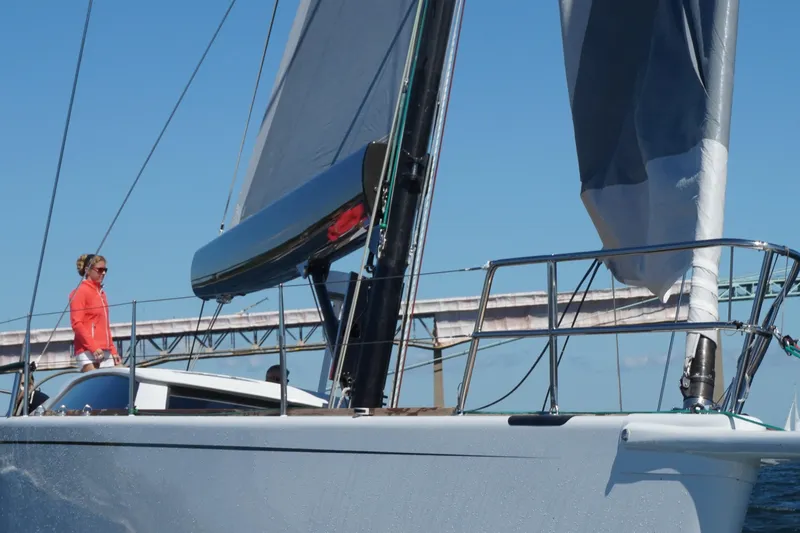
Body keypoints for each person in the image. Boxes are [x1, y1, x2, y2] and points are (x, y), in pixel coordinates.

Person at [69, 254, 121, 372]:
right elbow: (77, 324)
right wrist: (93, 347)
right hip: (87, 350)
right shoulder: (80, 292)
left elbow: (105, 326)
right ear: (88, 270)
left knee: (122, 375)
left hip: (105, 350)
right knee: (96, 378)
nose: (103, 273)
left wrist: (113, 350)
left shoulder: (102, 294)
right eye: (100, 270)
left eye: (105, 270)